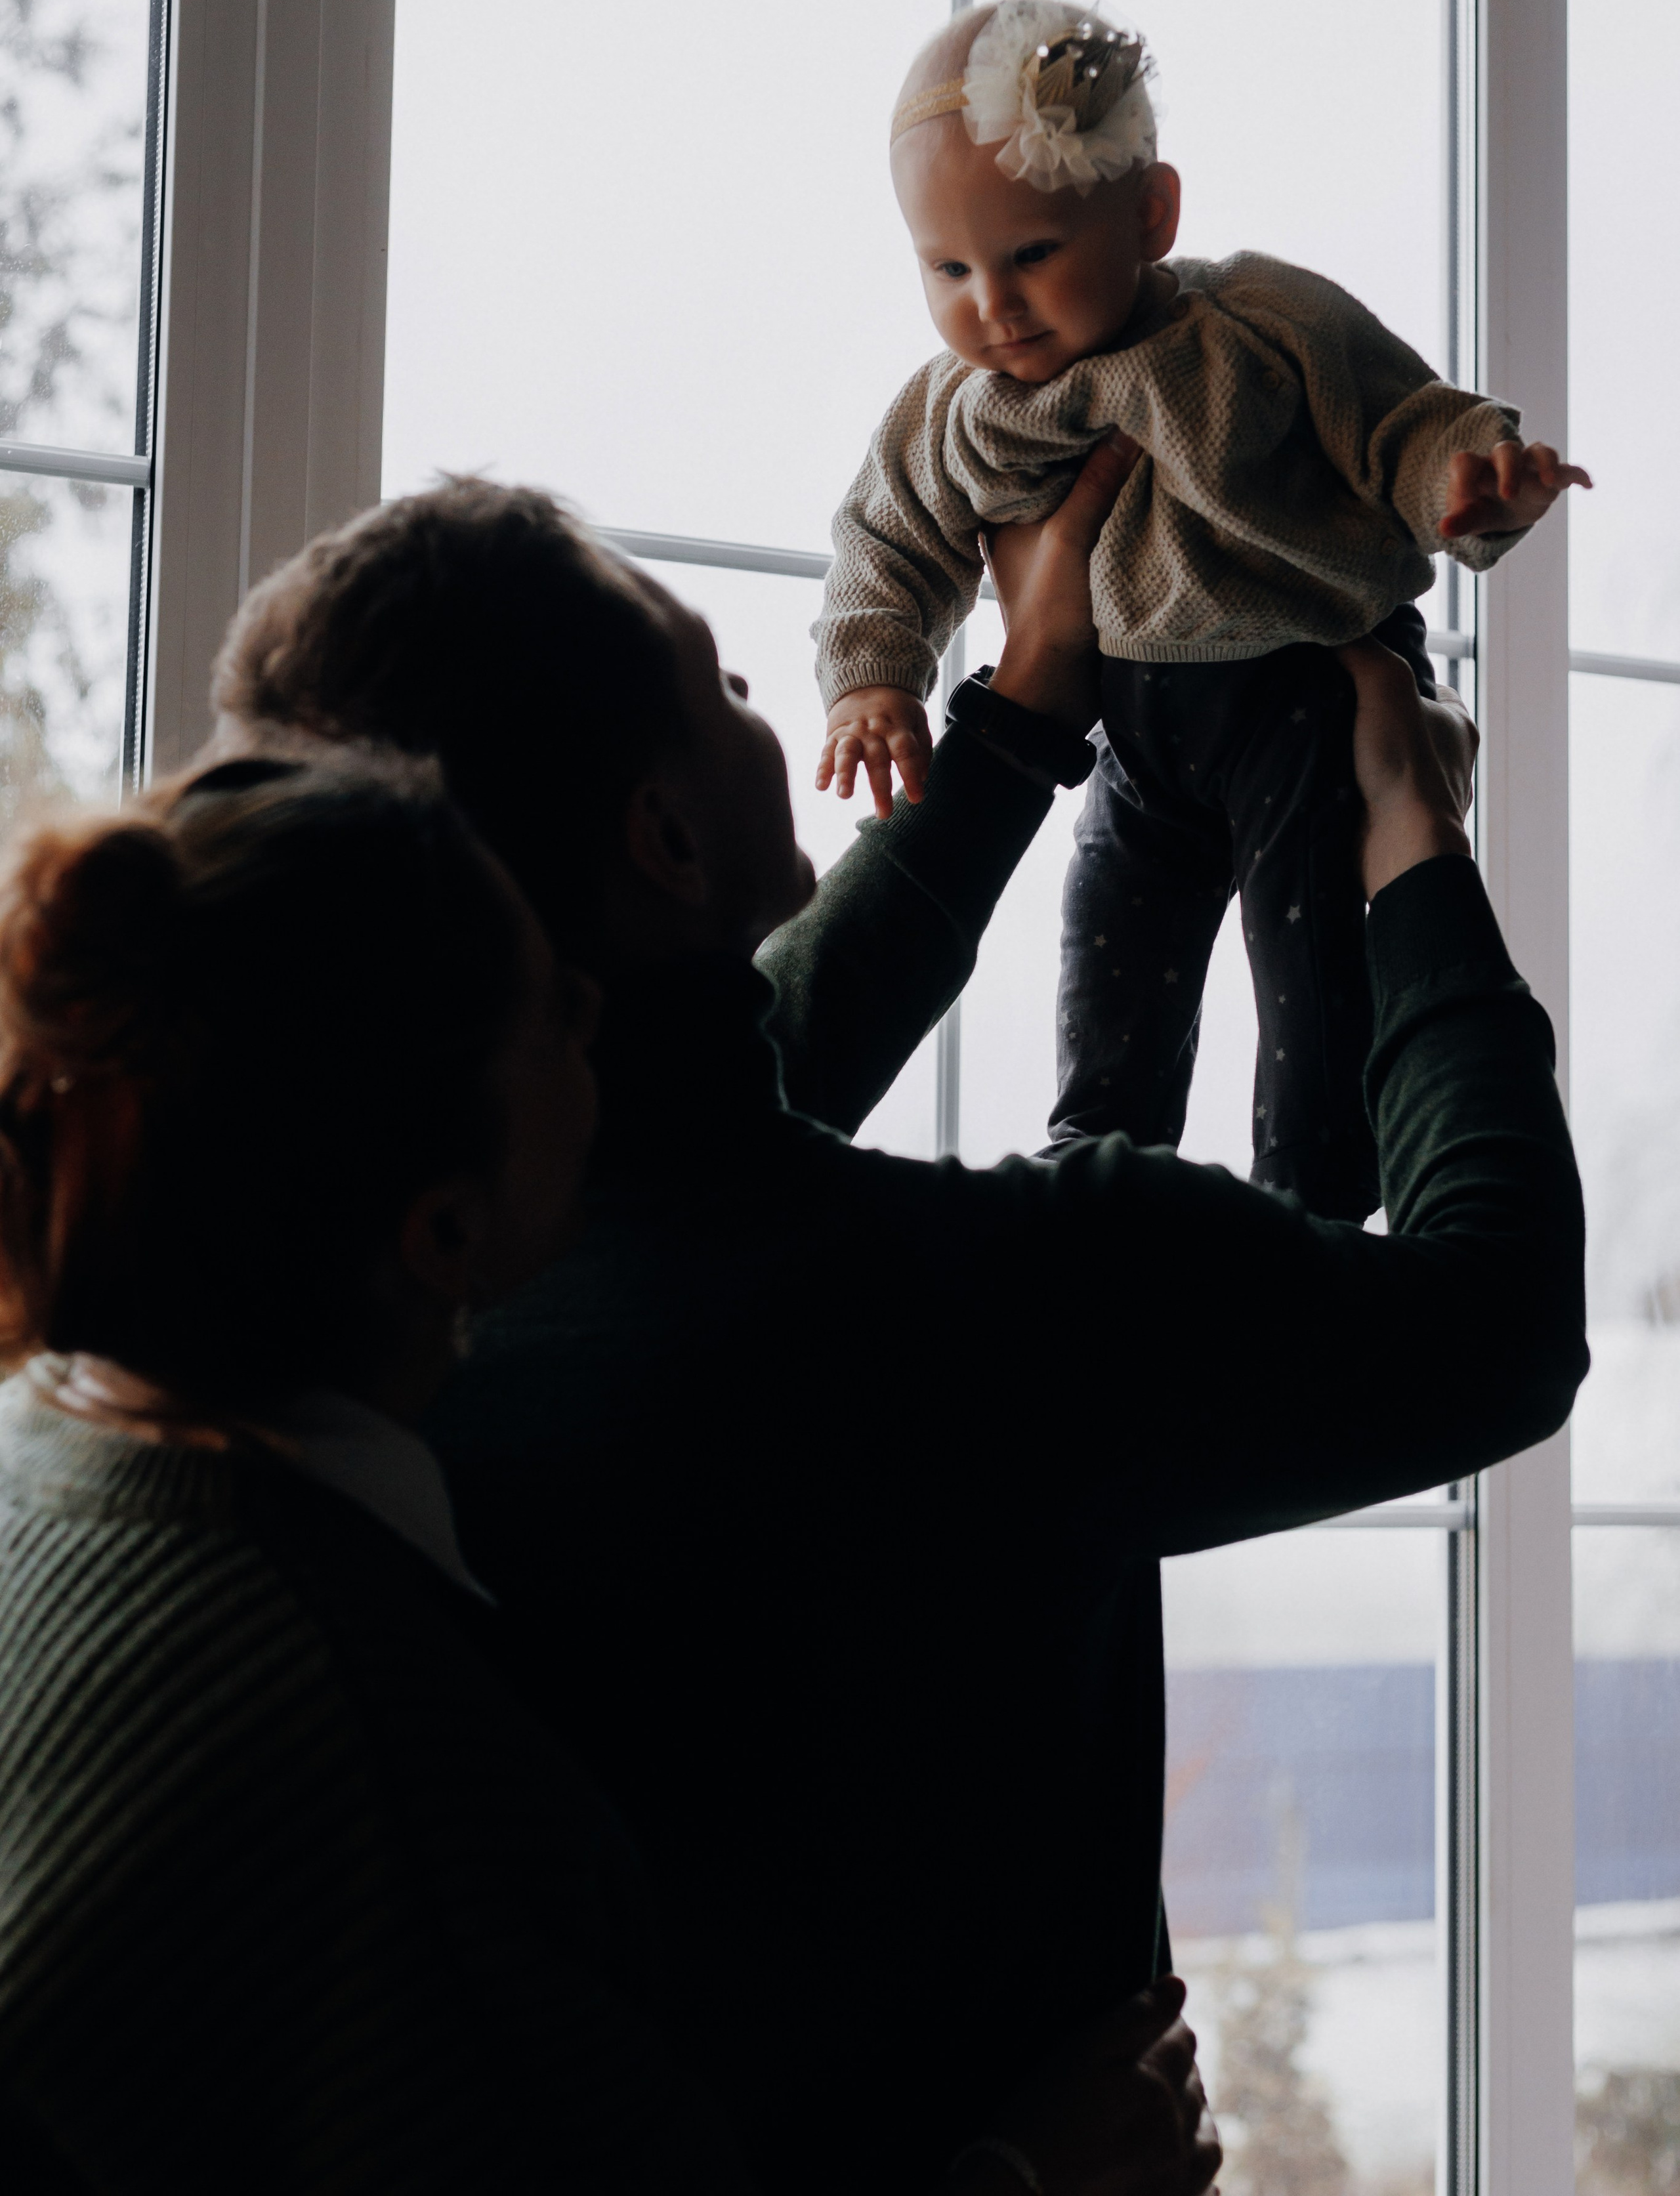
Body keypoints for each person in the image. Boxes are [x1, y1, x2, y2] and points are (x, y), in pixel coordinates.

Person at [208, 461, 1586, 2196]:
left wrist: (1019, 715)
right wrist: (1414, 838)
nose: (750, 697)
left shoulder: (395, 1316)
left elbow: (723, 1083)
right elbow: (1503, 1315)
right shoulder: (1013, 1304)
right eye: (716, 680)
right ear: (665, 838)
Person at [0, 751, 1221, 2196]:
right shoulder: (385, 1756)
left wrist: (1008, 738)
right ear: (447, 1235)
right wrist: (1022, 2181)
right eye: (553, 1014)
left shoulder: (65, 1459)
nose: (604, 1013)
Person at [814, 0, 1591, 1215]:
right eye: (948, 269)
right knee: (1115, 962)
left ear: (1150, 215)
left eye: (1031, 256)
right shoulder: (952, 409)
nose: (993, 307)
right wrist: (874, 679)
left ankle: (1315, 1202)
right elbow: (885, 539)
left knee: (1316, 972)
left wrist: (1469, 479)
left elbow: (1402, 418)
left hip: (1303, 698)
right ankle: (1098, 1178)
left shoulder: (1257, 325)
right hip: (1134, 741)